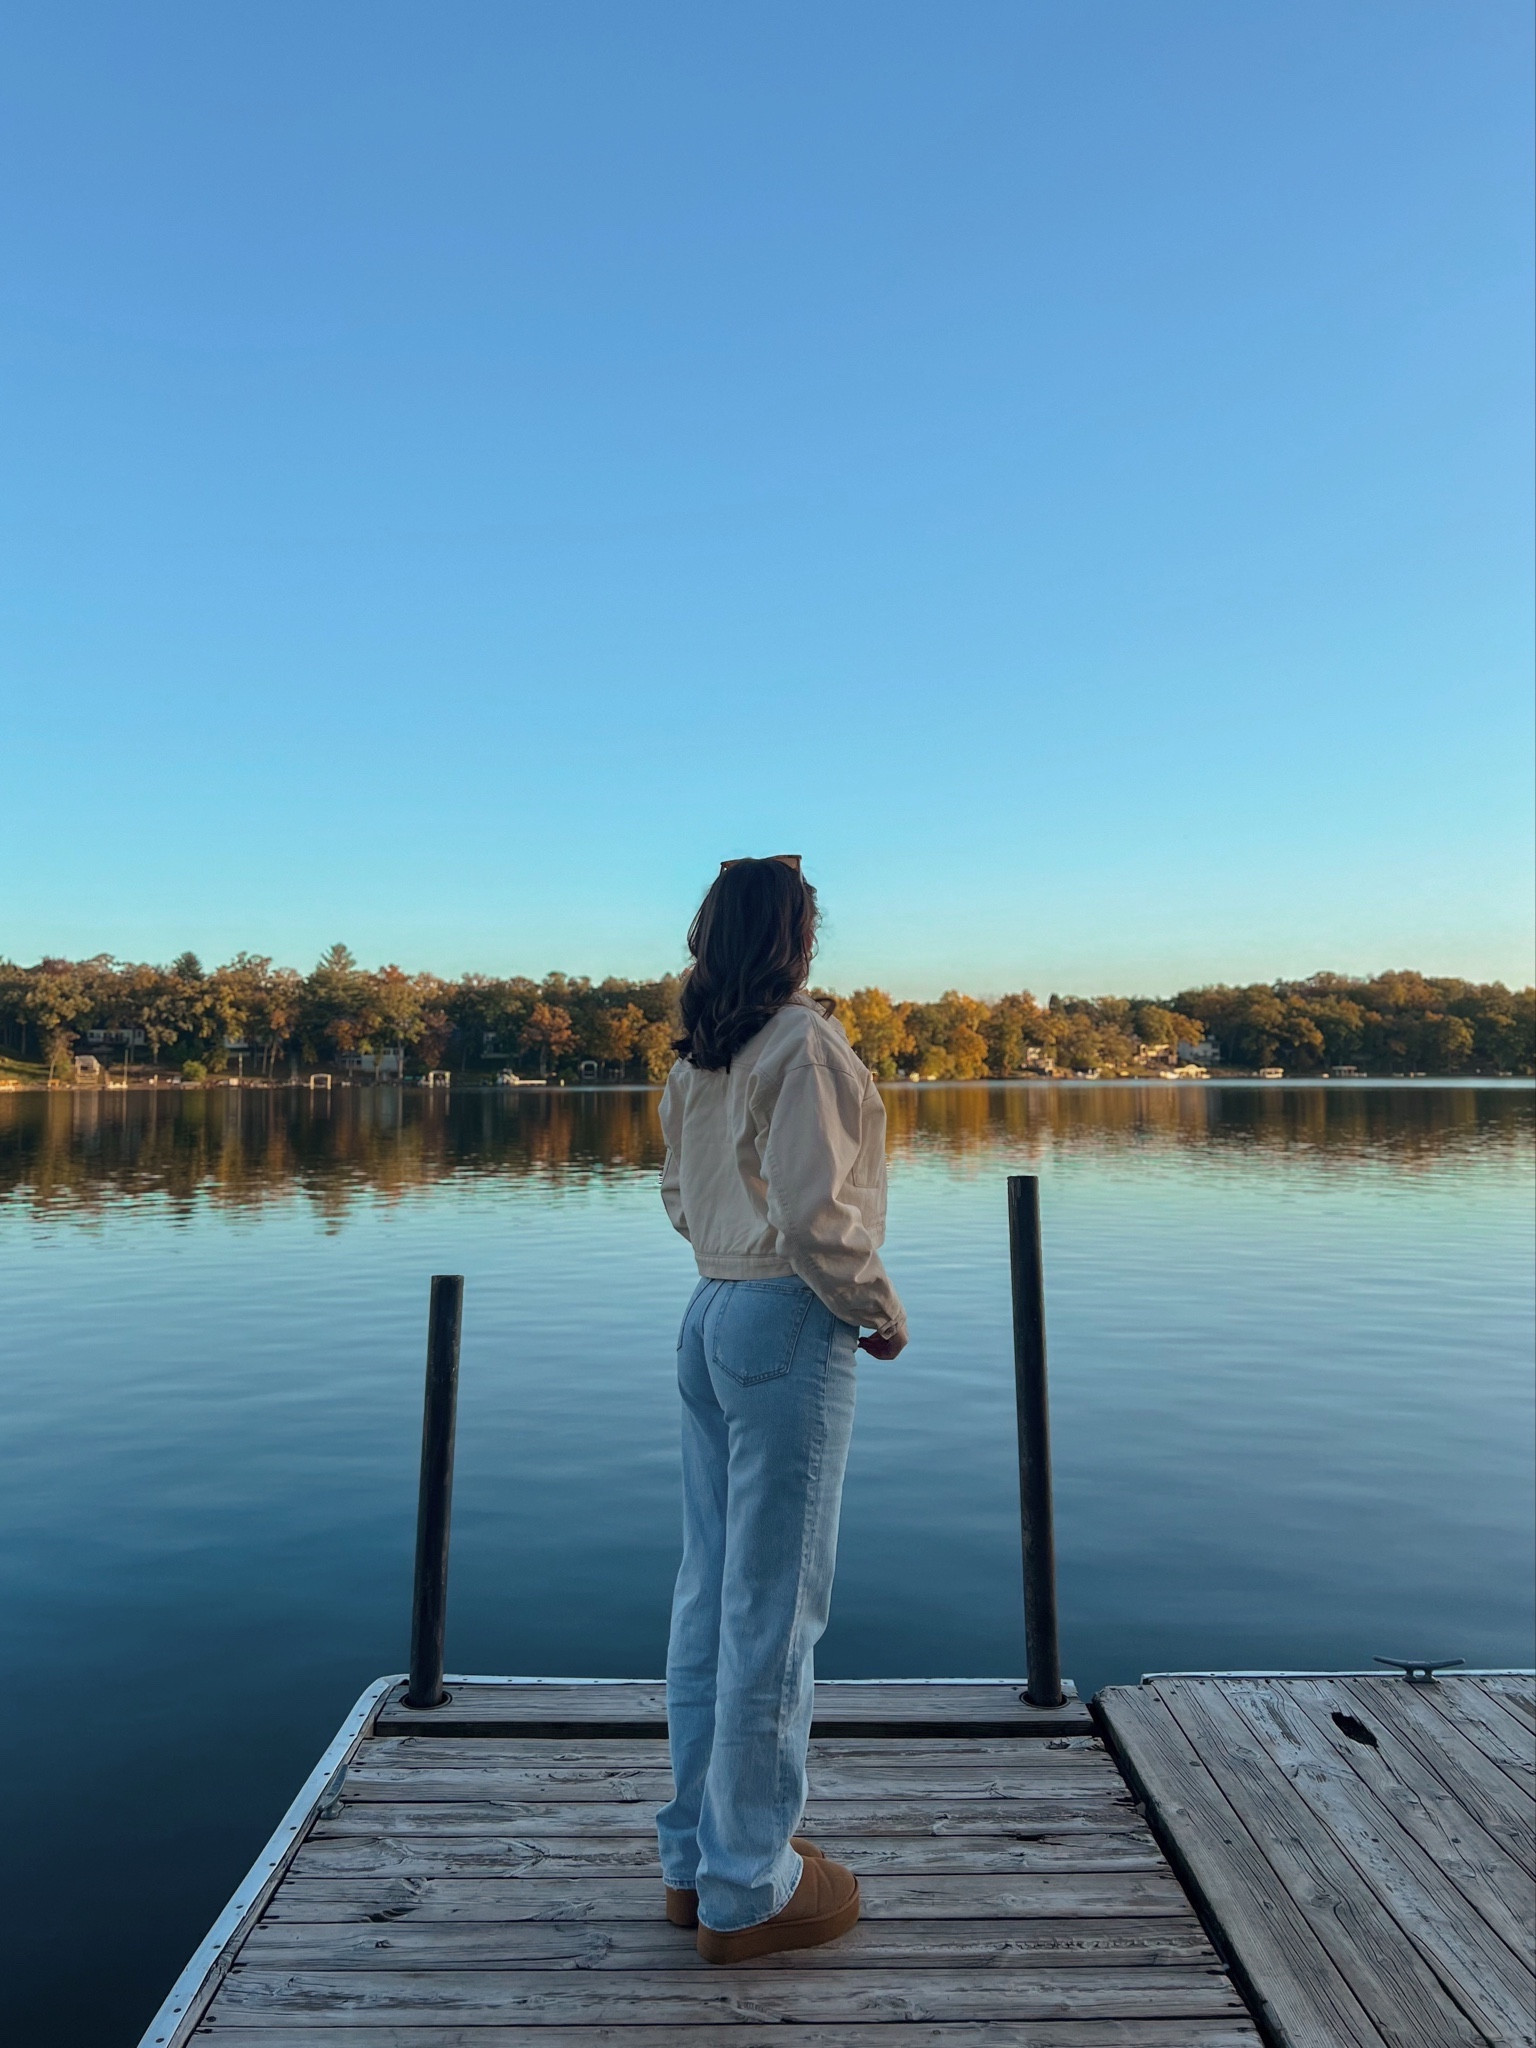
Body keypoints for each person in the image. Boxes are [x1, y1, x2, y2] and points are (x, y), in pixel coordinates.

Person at [654, 855, 908, 1965]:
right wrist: (876, 1305)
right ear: (793, 936)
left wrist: (734, 1261)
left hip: (710, 1310)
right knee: (776, 1606)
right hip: (787, 1316)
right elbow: (816, 1212)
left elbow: (677, 1197)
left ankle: (693, 1858)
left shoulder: (700, 1056)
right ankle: (749, 1884)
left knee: (711, 1588)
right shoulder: (799, 1042)